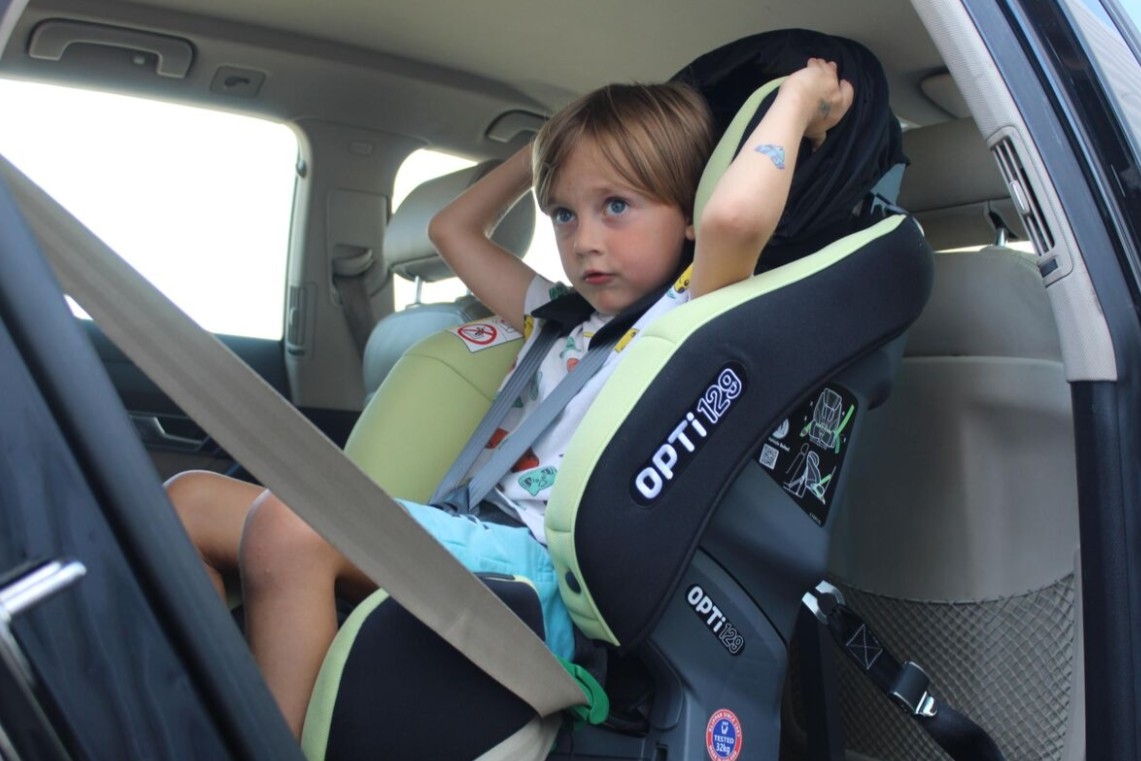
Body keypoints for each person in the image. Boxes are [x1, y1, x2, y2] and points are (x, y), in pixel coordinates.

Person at [166, 58, 853, 738]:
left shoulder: (693, 311)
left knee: (287, 525)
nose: (584, 241)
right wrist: (549, 145)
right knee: (188, 500)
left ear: (690, 214)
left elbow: (735, 219)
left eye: (616, 206)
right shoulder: (554, 316)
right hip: (467, 536)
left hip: (539, 576)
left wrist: (797, 99)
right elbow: (451, 230)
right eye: (563, 213)